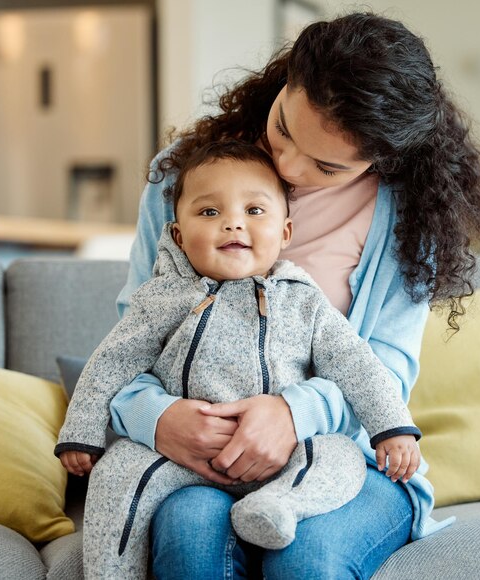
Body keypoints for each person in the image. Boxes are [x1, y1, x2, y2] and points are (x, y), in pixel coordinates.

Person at [108, 12, 480, 580]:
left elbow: (386, 370)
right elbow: (131, 336)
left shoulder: (408, 216)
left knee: (305, 556)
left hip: (344, 458)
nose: (287, 166)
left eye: (327, 165)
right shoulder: (184, 175)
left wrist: (293, 414)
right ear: (281, 83)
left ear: (381, 159)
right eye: (282, 127)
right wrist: (160, 418)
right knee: (189, 532)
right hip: (204, 462)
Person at [55, 140, 423, 577]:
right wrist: (81, 432)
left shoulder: (303, 299)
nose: (232, 224)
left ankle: (277, 507)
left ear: (286, 233)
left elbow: (355, 362)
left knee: (339, 457)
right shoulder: (162, 297)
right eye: (210, 213)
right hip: (185, 460)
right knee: (116, 473)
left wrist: (392, 427)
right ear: (177, 234)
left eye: (254, 211)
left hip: (289, 459)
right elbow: (112, 361)